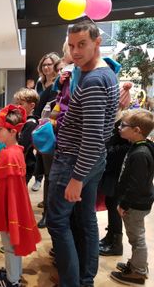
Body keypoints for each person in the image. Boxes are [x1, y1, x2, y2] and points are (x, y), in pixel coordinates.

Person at [46, 20, 119, 287]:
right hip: (91, 159)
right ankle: (83, 279)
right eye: (72, 45)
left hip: (75, 161)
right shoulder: (103, 74)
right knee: (85, 219)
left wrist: (77, 177)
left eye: (82, 45)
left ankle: (72, 282)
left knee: (57, 221)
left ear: (97, 42)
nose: (75, 52)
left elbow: (91, 137)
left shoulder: (94, 80)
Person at [0, 105, 41, 287]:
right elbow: (4, 178)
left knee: (10, 244)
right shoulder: (16, 151)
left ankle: (12, 280)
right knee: (12, 244)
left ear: (12, 131)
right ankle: (14, 272)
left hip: (9, 207)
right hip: (12, 204)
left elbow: (2, 184)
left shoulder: (8, 155)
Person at [110, 109, 154, 285]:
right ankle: (137, 264)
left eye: (123, 125)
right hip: (138, 202)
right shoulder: (141, 146)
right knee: (136, 235)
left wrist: (124, 204)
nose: (119, 127)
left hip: (135, 204)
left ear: (137, 130)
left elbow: (136, 185)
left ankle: (138, 273)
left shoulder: (140, 154)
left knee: (137, 238)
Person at [98, 83, 132, 257]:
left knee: (114, 204)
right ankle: (110, 236)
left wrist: (106, 150)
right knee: (111, 203)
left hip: (116, 172)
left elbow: (121, 149)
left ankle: (116, 242)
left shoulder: (122, 123)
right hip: (112, 171)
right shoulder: (114, 121)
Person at [31, 52, 60, 194]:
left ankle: (47, 198)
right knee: (40, 155)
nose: (46, 67)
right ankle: (38, 179)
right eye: (44, 65)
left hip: (50, 124)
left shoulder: (58, 83)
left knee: (47, 159)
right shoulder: (40, 83)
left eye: (49, 64)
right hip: (39, 121)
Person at [13, 88, 39, 184]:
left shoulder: (31, 123)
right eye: (17, 103)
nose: (17, 106)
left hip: (24, 165)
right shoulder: (21, 121)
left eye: (21, 104)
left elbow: (23, 146)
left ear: (32, 105)